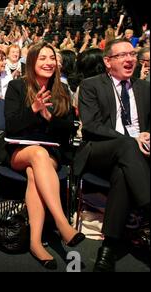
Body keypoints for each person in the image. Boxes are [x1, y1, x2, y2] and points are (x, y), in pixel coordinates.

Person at [4, 42, 85, 269]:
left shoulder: (62, 90)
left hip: (50, 153)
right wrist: (33, 110)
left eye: (52, 58)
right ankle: (61, 222)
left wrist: (50, 118)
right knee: (36, 154)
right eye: (42, 58)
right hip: (19, 150)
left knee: (35, 172)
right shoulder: (16, 87)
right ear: (31, 62)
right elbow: (11, 126)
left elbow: (71, 128)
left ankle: (35, 242)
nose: (48, 63)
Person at [76, 39, 150, 272]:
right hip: (100, 150)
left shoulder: (145, 87)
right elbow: (91, 125)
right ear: (108, 61)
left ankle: (108, 249)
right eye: (122, 55)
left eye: (132, 54)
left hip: (133, 158)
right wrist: (132, 139)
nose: (129, 59)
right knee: (127, 147)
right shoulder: (91, 85)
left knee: (122, 172)